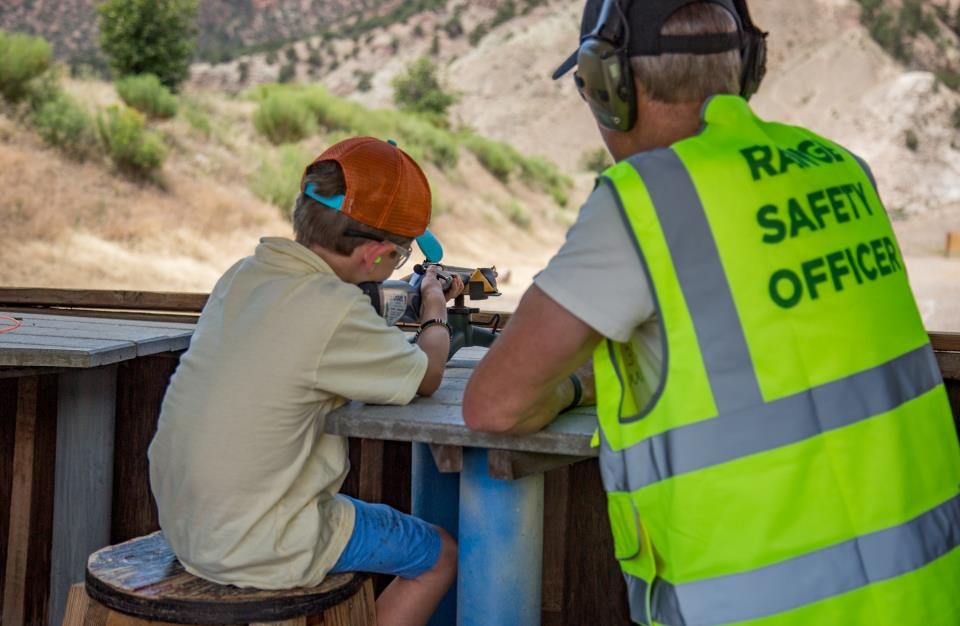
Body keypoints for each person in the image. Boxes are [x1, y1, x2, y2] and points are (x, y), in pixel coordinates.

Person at [463, 1, 960, 624]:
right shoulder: (843, 171)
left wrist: (572, 389)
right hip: (922, 593)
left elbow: (493, 404)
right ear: (749, 67)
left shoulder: (642, 200)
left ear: (606, 86)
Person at [148, 137, 462, 626]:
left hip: (187, 524)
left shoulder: (243, 275)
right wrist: (435, 305)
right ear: (373, 257)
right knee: (440, 555)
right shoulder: (335, 309)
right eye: (398, 258)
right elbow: (428, 374)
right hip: (259, 540)